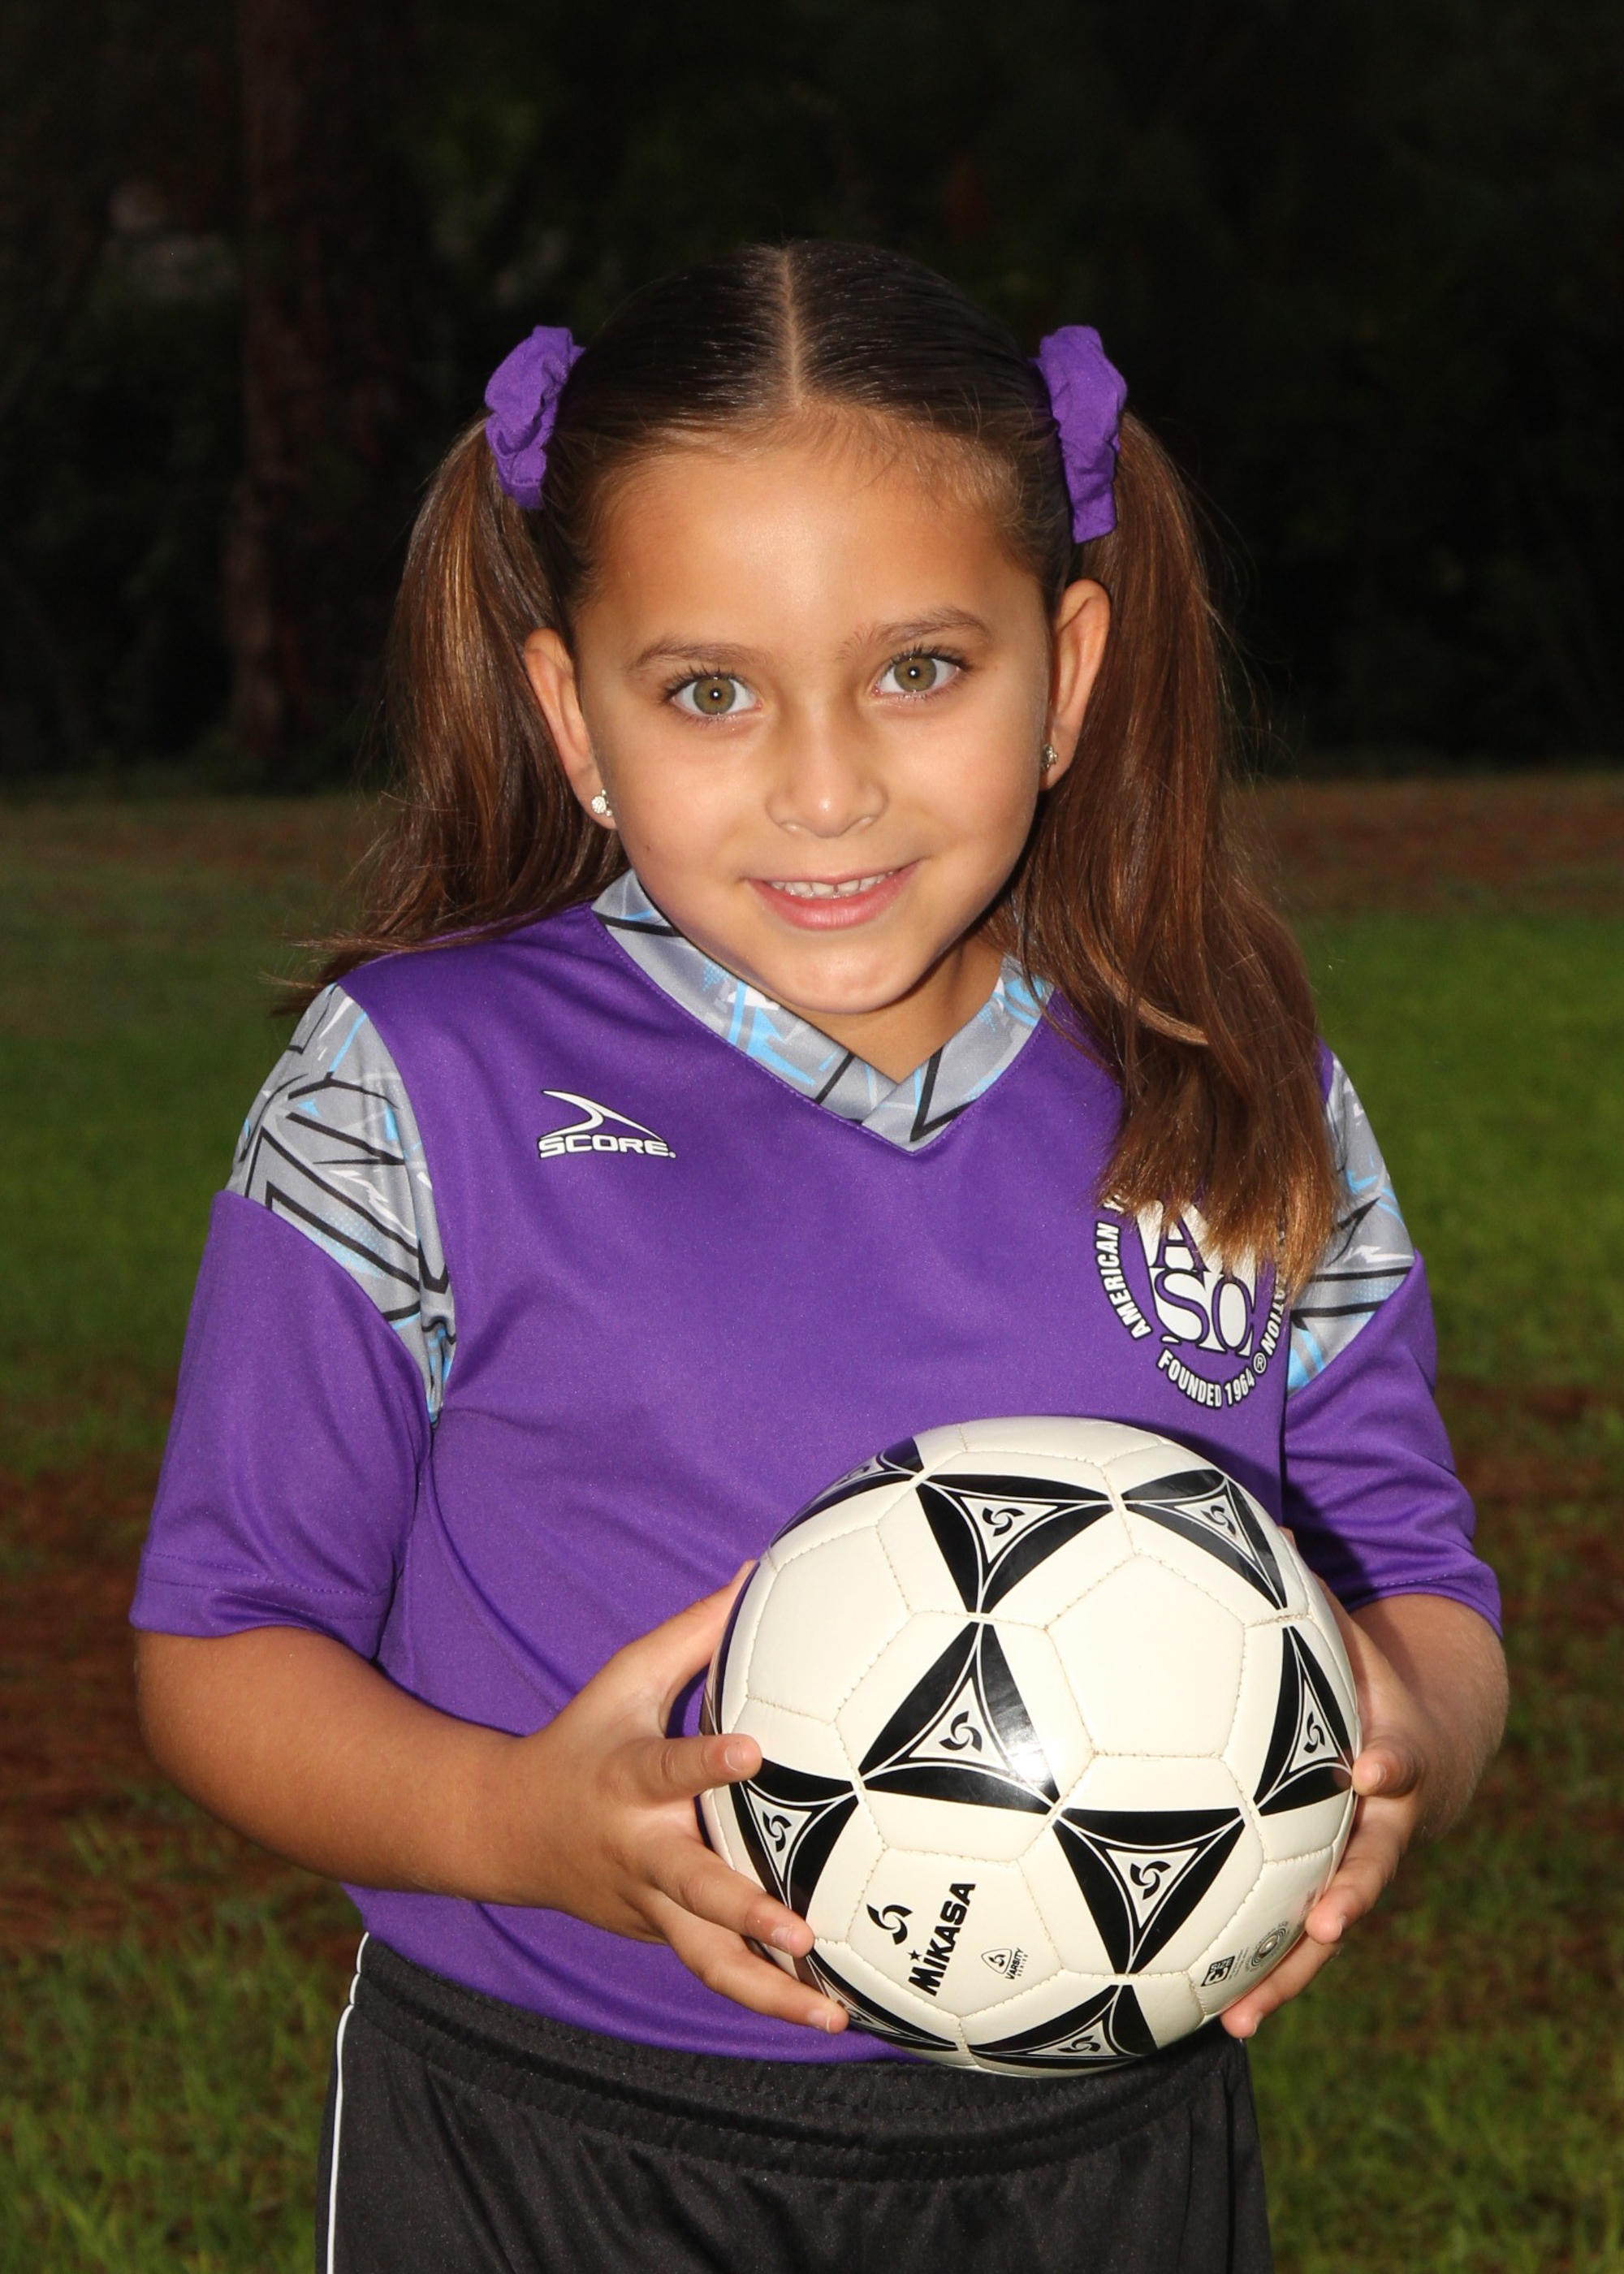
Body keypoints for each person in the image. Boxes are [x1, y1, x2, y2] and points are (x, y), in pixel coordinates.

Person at [131, 240, 1506, 2273]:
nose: (827, 782)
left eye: (919, 669)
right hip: (552, 2149)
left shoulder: (1236, 1097)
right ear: (572, 714)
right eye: (709, 691)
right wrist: (516, 1826)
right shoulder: (415, 1086)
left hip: (1108, 2155)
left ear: (1071, 674)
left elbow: (1416, 1584)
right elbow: (222, 1641)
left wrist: (1402, 1743)